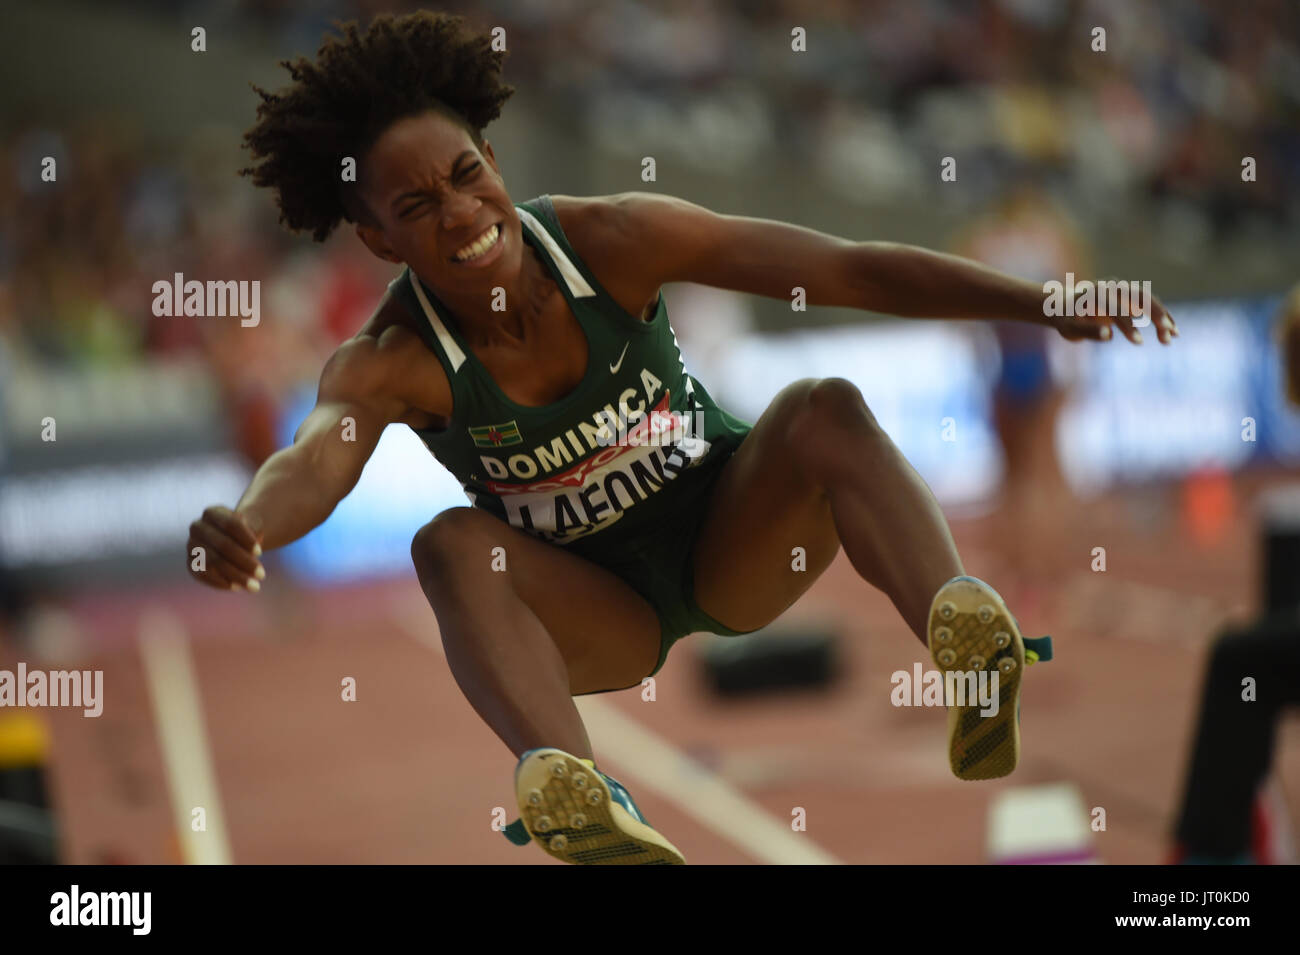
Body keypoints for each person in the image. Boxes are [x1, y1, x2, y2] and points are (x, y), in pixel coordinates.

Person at [188, 12, 1176, 864]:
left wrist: (1040, 300)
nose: (461, 213)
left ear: (494, 159)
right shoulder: (392, 357)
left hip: (731, 542)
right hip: (598, 612)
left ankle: (967, 641)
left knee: (824, 403)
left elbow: (850, 268)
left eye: (465, 174)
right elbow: (318, 451)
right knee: (445, 546)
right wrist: (246, 525)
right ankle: (574, 788)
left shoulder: (614, 238)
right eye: (416, 206)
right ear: (378, 239)